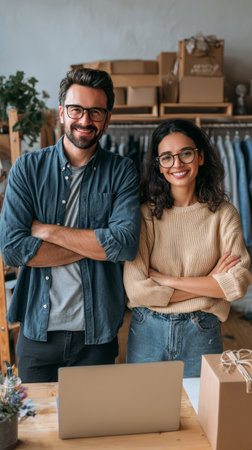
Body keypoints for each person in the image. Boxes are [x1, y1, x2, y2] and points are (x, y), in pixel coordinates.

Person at [0, 68, 141, 382]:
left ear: (107, 117)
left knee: (93, 428)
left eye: (95, 112)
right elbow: (12, 249)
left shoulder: (122, 171)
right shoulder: (27, 169)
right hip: (37, 334)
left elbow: (124, 244)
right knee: (34, 430)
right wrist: (96, 245)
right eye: (76, 109)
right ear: (61, 112)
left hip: (97, 335)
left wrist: (47, 230)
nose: (85, 120)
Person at [123, 119, 252, 378]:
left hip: (202, 331)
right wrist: (210, 286)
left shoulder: (224, 215)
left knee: (200, 414)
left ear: (200, 156)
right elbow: (137, 291)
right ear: (158, 166)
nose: (177, 164)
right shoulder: (144, 214)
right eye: (167, 157)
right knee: (146, 416)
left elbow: (237, 284)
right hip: (147, 330)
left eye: (186, 153)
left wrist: (167, 280)